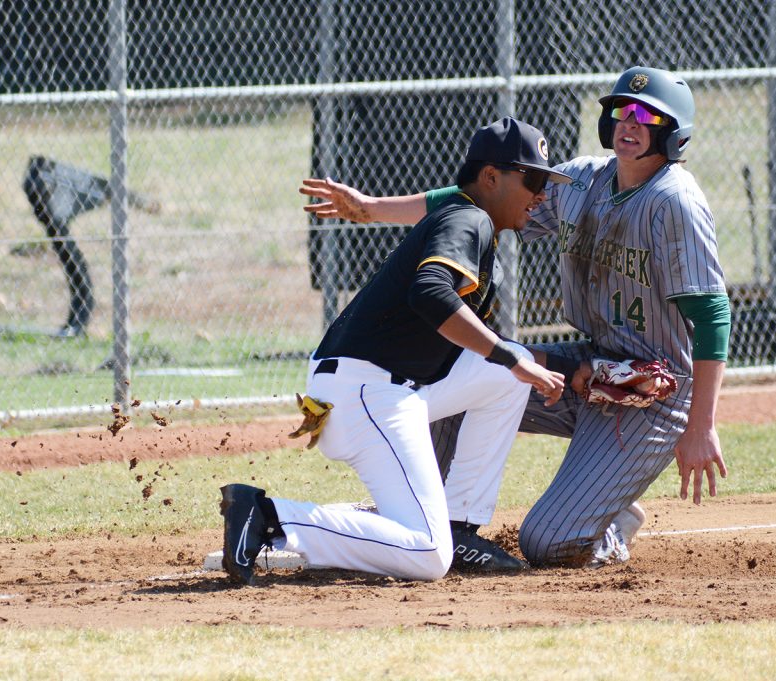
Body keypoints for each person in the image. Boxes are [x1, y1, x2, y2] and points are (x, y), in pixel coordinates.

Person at [299, 66, 731, 568]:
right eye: (620, 111)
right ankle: (441, 523)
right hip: (591, 361)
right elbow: (477, 197)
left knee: (547, 545)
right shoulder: (585, 180)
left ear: (673, 133)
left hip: (653, 391)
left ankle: (607, 522)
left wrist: (701, 424)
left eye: (646, 115)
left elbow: (712, 313)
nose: (628, 123)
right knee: (466, 376)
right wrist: (371, 209)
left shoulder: (674, 201)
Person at [220, 117, 569, 584]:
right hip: (368, 393)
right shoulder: (471, 218)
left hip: (367, 388)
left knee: (507, 374)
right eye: (534, 179)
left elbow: (480, 345)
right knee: (427, 555)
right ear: (491, 178)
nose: (542, 193)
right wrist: (509, 358)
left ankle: (459, 525)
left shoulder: (464, 211)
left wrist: (541, 364)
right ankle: (270, 516)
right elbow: (429, 293)